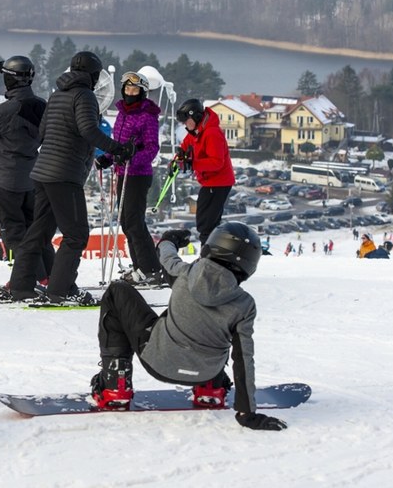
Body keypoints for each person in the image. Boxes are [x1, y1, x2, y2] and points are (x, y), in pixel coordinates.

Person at [91, 222, 287, 431]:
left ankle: (115, 386)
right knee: (217, 330)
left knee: (117, 291)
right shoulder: (244, 304)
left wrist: (169, 240)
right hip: (207, 372)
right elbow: (243, 358)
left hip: (158, 362)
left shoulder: (185, 273)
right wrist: (247, 413)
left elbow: (166, 257)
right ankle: (210, 390)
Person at [7, 51, 135, 304]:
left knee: (39, 231)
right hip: (64, 174)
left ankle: (21, 286)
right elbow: (88, 129)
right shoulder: (84, 95)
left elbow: (42, 132)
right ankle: (61, 290)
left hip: (42, 172)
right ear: (94, 75)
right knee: (76, 235)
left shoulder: (57, 95)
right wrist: (117, 149)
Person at [0, 56, 51, 279]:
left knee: (14, 233)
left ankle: (32, 279)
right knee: (34, 229)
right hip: (32, 177)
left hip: (6, 179)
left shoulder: (6, 110)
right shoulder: (42, 106)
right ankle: (50, 276)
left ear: (9, 79)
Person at [95, 71, 162, 286]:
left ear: (142, 92)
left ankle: (151, 269)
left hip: (138, 175)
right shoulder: (123, 113)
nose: (130, 93)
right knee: (127, 223)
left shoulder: (147, 115)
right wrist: (107, 158)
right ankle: (140, 266)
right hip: (123, 174)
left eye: (135, 89)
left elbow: (152, 149)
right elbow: (119, 145)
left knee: (134, 223)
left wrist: (132, 158)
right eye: (127, 89)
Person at [174, 98, 235, 246]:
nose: (184, 125)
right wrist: (177, 161)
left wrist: (192, 164)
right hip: (209, 182)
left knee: (206, 224)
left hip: (219, 182)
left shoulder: (212, 133)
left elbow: (217, 162)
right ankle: (209, 255)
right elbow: (184, 147)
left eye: (186, 121)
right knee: (205, 222)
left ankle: (208, 258)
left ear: (195, 116)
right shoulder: (196, 132)